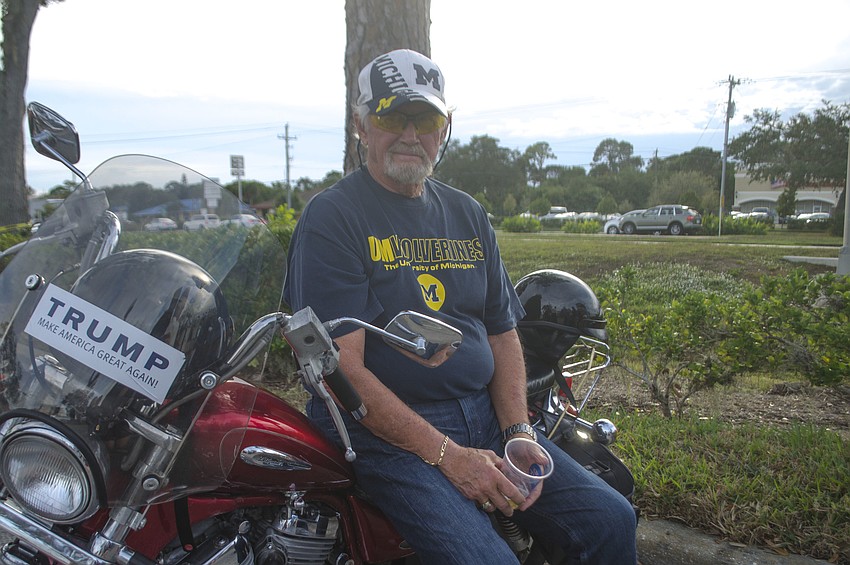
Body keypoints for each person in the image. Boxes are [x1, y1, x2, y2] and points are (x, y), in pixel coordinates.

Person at [283, 48, 637, 564]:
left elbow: (502, 333)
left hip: (487, 417)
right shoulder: (334, 217)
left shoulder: (467, 213)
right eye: (390, 116)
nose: (410, 134)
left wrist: (517, 433)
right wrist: (449, 456)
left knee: (610, 519)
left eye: (424, 118)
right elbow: (341, 369)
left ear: (445, 127)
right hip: (386, 434)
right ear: (360, 124)